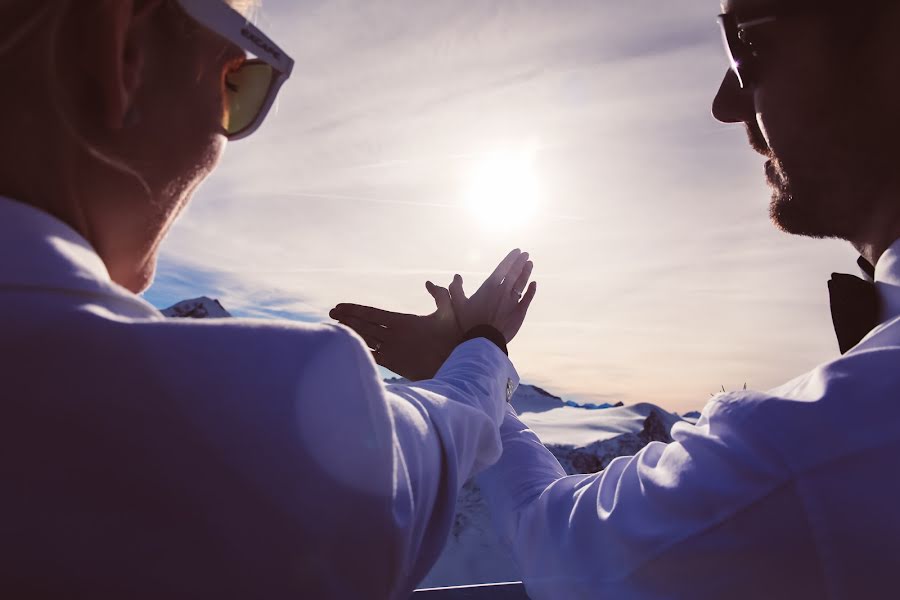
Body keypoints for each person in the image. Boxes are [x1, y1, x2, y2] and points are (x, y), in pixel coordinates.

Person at [338, 0, 900, 597]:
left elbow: (564, 543)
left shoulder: (821, 449)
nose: (725, 102)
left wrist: (471, 361)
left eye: (747, 45)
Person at [0, 1, 539, 598]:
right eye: (238, 85)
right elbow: (411, 462)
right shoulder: (212, 422)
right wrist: (482, 347)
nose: (222, 141)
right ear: (121, 48)